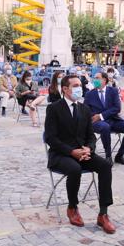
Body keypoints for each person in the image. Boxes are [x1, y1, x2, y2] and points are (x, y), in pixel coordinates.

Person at [44, 74, 116, 234]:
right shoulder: (54, 108)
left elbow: (90, 136)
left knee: (105, 166)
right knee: (74, 168)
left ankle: (103, 214)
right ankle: (72, 207)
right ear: (65, 89)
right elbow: (50, 138)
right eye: (75, 85)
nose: (80, 88)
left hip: (82, 153)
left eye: (80, 85)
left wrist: (88, 149)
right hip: (60, 154)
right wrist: (71, 152)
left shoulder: (84, 108)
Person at [84, 72, 124, 166]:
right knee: (105, 127)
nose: (94, 80)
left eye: (97, 78)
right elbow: (85, 110)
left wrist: (100, 115)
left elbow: (117, 108)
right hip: (97, 123)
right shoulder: (89, 94)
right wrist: (95, 117)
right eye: (94, 78)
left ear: (104, 80)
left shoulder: (113, 91)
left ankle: (120, 155)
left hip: (112, 119)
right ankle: (108, 155)